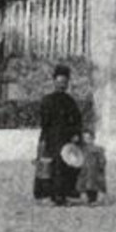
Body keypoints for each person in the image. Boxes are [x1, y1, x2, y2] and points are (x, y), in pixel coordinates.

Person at [36, 64, 84, 206]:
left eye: (64, 83)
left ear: (67, 84)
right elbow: (44, 122)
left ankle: (64, 194)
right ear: (54, 82)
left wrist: (76, 134)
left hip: (66, 138)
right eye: (59, 82)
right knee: (49, 165)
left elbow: (77, 120)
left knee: (66, 165)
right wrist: (45, 138)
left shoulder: (70, 102)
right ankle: (48, 195)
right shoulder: (47, 100)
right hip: (51, 137)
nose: (61, 85)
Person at [78, 129, 108, 205]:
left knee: (97, 183)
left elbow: (102, 161)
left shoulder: (98, 150)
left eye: (88, 138)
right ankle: (86, 198)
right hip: (85, 172)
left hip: (95, 172)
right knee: (83, 184)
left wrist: (100, 165)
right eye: (84, 138)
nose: (86, 140)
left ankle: (98, 198)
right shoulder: (81, 150)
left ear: (93, 138)